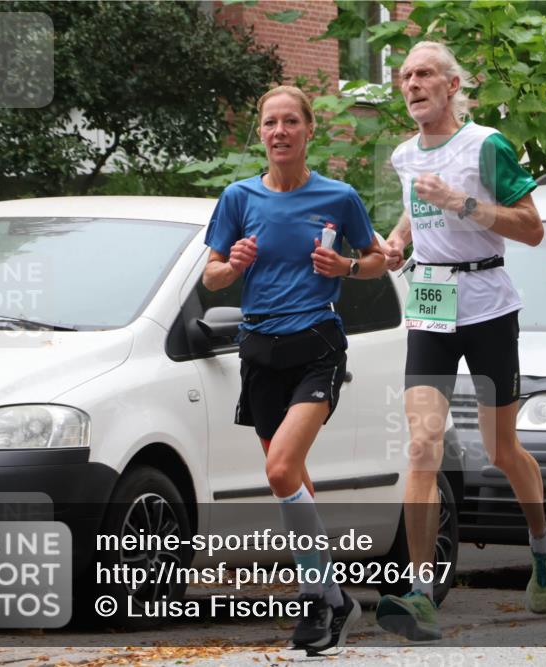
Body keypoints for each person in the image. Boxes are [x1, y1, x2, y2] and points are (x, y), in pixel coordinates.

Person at [375, 41, 546, 641]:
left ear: (452, 86)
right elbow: (414, 211)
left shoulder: (487, 145)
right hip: (430, 304)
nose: (412, 84)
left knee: (501, 449)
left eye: (424, 74)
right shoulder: (405, 155)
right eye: (405, 77)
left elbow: (531, 228)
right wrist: (396, 240)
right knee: (423, 446)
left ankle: (541, 540)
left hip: (486, 304)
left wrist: (463, 204)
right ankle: (422, 589)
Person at [202, 85, 386, 654]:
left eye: (289, 122)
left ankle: (316, 601)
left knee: (281, 469)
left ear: (309, 131)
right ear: (259, 133)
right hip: (259, 349)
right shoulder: (237, 198)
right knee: (293, 478)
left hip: (317, 344)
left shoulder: (339, 197)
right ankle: (334, 600)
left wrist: (347, 264)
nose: (278, 131)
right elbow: (210, 277)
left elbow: (378, 262)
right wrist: (230, 265)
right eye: (268, 123)